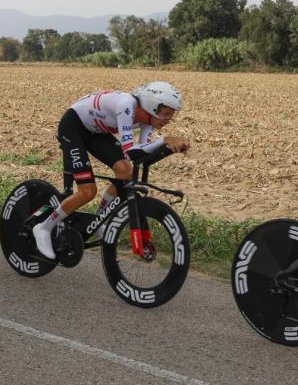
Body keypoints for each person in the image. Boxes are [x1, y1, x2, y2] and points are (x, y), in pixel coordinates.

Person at [33, 82, 191, 260]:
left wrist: (167, 148)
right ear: (152, 106)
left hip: (95, 132)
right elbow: (130, 152)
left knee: (125, 172)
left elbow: (141, 153)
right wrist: (164, 141)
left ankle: (97, 220)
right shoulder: (126, 106)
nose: (168, 119)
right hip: (73, 127)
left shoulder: (149, 120)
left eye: (172, 115)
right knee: (88, 191)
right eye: (166, 113)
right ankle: (43, 228)